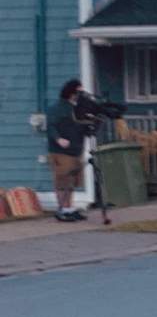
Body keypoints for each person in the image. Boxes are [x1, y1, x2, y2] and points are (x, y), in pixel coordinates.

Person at [47, 79, 87, 222]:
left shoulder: (76, 109)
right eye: (78, 92)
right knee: (62, 181)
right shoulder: (57, 108)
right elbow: (51, 126)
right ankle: (62, 209)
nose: (80, 95)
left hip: (75, 150)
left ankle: (69, 208)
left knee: (71, 182)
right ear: (71, 92)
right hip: (60, 152)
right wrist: (58, 139)